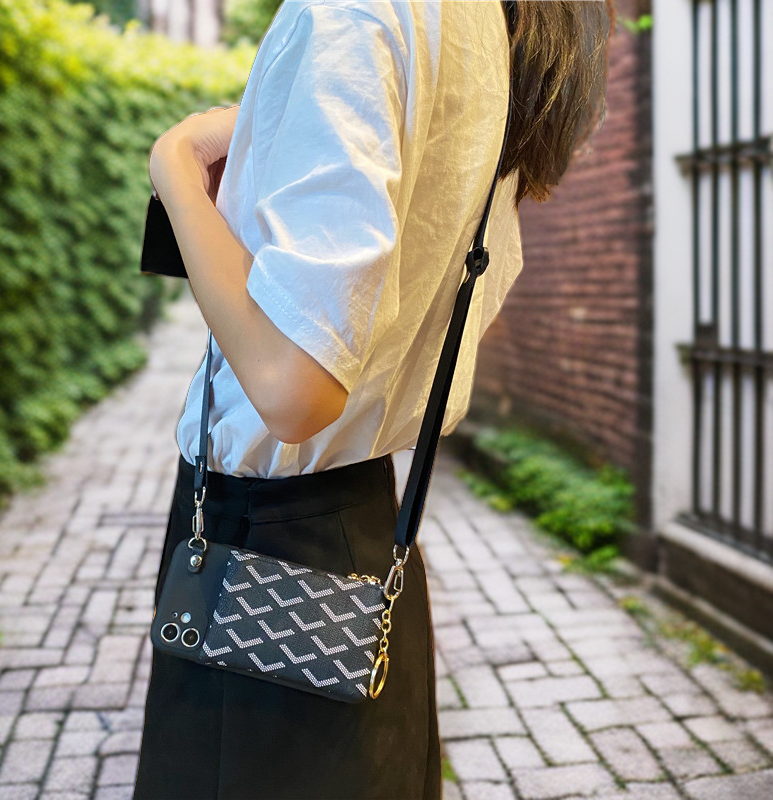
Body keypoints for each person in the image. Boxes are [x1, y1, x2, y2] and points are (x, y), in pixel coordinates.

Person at [132, 1, 614, 798]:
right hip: (367, 542)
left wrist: (176, 165)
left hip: (259, 554)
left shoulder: (355, 13)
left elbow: (292, 387)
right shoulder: (487, 29)